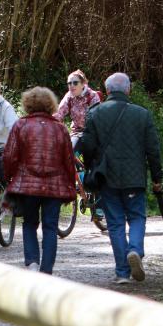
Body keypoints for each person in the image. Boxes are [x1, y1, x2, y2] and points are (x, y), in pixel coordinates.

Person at [82, 73, 163, 284]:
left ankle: (122, 273)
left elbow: (87, 147)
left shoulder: (95, 113)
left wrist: (92, 168)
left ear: (107, 90)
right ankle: (135, 249)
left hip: (107, 176)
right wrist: (157, 178)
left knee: (116, 223)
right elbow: (153, 150)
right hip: (134, 177)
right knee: (136, 217)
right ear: (128, 90)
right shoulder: (142, 114)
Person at [3, 87, 76, 274]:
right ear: (51, 104)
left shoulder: (21, 125)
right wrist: (70, 184)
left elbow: (10, 156)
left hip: (27, 185)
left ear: (28, 104)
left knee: (29, 223)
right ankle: (47, 270)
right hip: (54, 185)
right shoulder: (60, 128)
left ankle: (32, 262)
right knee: (50, 227)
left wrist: (8, 177)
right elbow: (68, 160)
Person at [54, 69, 106, 228]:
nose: (71, 86)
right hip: (77, 132)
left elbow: (97, 117)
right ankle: (77, 182)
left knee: (96, 168)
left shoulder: (92, 96)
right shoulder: (69, 97)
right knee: (67, 153)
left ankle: (99, 207)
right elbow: (59, 113)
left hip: (93, 133)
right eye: (69, 83)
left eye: (75, 82)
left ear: (84, 84)